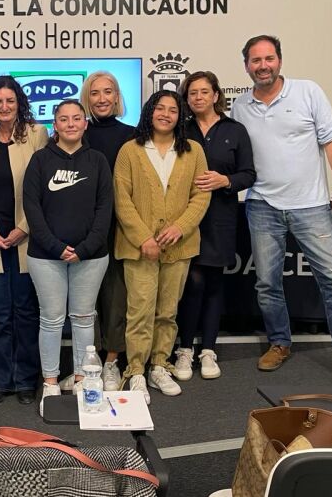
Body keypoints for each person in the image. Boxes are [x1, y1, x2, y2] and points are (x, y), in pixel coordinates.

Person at [231, 35, 332, 389]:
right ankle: (279, 343)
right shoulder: (240, 106)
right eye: (256, 60)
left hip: (311, 205)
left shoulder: (308, 92)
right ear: (246, 66)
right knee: (267, 283)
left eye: (269, 58)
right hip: (262, 206)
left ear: (279, 60)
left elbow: (331, 139)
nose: (263, 65)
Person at [114, 91, 210, 404]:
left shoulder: (193, 151)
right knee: (139, 311)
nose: (165, 114)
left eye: (172, 110)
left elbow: (200, 195)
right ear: (149, 112)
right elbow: (122, 198)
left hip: (179, 247)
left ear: (179, 116)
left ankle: (159, 365)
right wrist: (143, 237)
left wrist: (179, 228)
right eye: (160, 108)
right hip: (138, 247)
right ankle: (137, 370)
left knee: (167, 312)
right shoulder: (130, 150)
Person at [23, 100, 113, 415]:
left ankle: (80, 378)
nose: (71, 123)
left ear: (85, 124)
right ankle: (49, 381)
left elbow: (105, 210)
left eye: (77, 118)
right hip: (46, 256)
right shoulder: (39, 160)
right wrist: (56, 247)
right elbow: (32, 209)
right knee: (51, 319)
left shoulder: (98, 161)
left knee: (84, 317)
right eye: (64, 119)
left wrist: (85, 248)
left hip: (91, 256)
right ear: (55, 125)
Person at [173, 72, 256, 382]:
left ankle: (208, 349)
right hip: (185, 218)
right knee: (190, 284)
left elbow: (249, 174)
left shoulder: (235, 131)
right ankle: (184, 349)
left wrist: (227, 181)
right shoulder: (181, 129)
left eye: (204, 92)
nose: (197, 97)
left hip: (221, 216)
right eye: (192, 93)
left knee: (214, 284)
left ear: (216, 95)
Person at [0, 75, 48, 408]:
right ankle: (1, 382)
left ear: (20, 103)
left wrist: (23, 228)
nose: (4, 107)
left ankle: (26, 380)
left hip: (25, 240)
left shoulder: (36, 134)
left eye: (10, 101)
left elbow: (44, 189)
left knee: (26, 312)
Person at [80, 71, 135, 391]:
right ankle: (87, 363)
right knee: (84, 301)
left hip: (118, 227)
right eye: (95, 93)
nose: (101, 98)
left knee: (115, 297)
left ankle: (112, 361)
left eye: (108, 92)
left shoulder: (132, 135)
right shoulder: (76, 132)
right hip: (81, 230)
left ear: (116, 98)